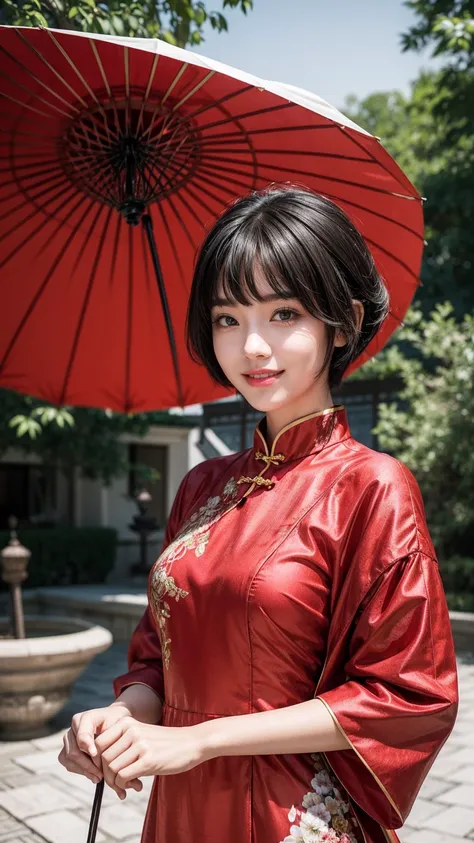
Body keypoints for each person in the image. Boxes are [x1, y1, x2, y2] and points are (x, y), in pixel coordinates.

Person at [59, 186, 458, 843]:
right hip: (183, 809)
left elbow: (406, 695)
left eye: (283, 313)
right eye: (226, 317)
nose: (251, 347)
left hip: (289, 814)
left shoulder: (372, 488)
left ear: (342, 321)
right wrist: (122, 719)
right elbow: (159, 655)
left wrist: (201, 740)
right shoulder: (199, 486)